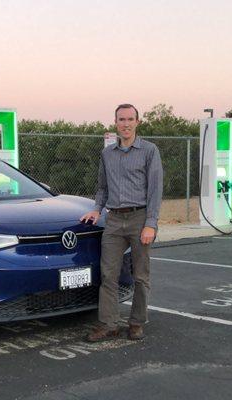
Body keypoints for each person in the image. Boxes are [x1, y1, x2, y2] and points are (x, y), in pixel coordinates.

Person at [80, 104, 163, 341]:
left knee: (140, 275)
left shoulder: (149, 151)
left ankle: (136, 322)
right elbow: (102, 188)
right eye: (121, 119)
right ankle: (108, 324)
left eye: (130, 119)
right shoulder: (107, 154)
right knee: (108, 275)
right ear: (115, 122)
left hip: (140, 219)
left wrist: (151, 223)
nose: (125, 124)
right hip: (114, 221)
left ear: (138, 122)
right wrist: (96, 210)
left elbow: (155, 191)